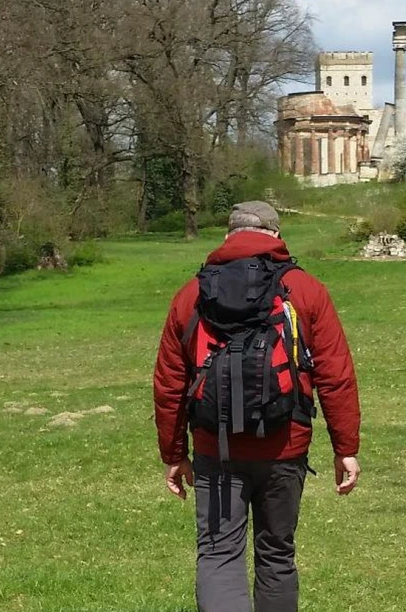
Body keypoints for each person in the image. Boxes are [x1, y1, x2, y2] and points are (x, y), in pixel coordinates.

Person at [153, 201, 362, 612]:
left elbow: (169, 383)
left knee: (218, 554)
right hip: (285, 443)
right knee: (277, 556)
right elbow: (335, 374)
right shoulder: (306, 289)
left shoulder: (191, 295)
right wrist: (346, 448)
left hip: (216, 447)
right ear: (276, 235)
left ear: (227, 235)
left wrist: (174, 454)